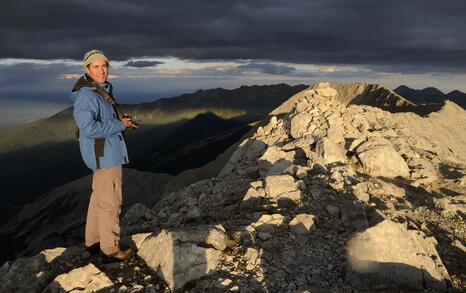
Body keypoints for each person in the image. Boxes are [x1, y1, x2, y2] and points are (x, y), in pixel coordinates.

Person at [71, 49, 133, 262]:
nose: (101, 70)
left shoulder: (97, 91)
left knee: (99, 199)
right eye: (96, 66)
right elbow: (87, 128)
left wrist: (120, 123)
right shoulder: (88, 96)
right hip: (106, 156)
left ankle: (94, 241)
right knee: (111, 203)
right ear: (87, 69)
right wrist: (118, 125)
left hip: (103, 154)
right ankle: (110, 250)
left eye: (104, 65)